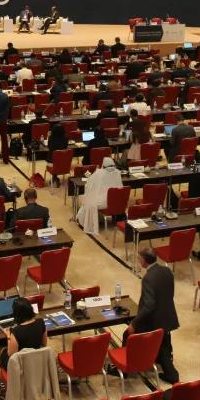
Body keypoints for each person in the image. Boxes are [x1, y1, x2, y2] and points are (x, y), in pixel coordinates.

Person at [130, 247, 180, 384]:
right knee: (164, 345)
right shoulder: (166, 270)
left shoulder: (148, 278)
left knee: (127, 335)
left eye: (139, 259)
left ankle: (128, 366)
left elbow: (149, 305)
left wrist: (135, 323)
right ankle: (171, 374)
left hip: (155, 320)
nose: (138, 261)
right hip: (168, 315)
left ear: (144, 261)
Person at [75, 156, 123, 234]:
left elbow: (89, 183)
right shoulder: (117, 172)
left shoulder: (99, 173)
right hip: (116, 202)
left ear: (103, 165)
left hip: (103, 202)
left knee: (88, 202)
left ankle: (85, 222)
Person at [0, 296, 46, 369]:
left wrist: (8, 336)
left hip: (21, 367)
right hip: (37, 362)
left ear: (16, 314)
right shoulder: (41, 322)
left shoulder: (15, 332)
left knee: (3, 350)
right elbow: (44, 344)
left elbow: (11, 356)